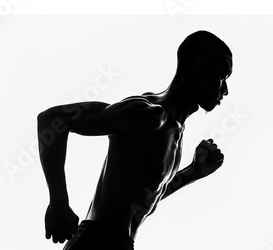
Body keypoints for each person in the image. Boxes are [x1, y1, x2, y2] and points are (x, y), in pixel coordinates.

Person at [37, 30, 233, 250]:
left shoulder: (176, 130)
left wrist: (193, 172)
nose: (225, 90)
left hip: (120, 244)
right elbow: (53, 119)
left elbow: (145, 197)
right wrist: (58, 202)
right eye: (223, 77)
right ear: (202, 68)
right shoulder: (149, 115)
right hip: (96, 242)